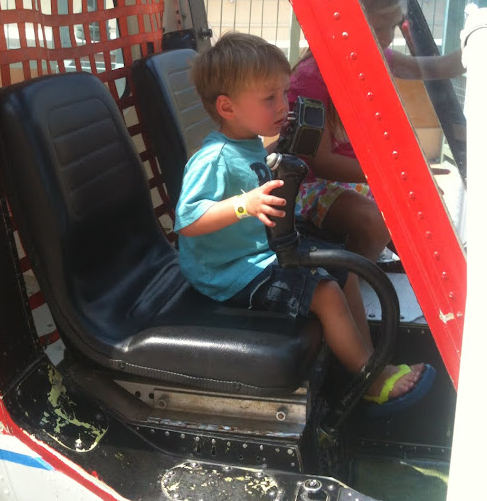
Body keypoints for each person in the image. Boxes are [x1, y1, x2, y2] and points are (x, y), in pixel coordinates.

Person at [175, 31, 435, 416]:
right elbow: (186, 220)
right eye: (270, 98)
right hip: (228, 274)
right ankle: (369, 380)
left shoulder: (248, 142)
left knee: (343, 268)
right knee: (326, 293)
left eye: (283, 93)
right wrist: (245, 204)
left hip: (257, 253)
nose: (284, 105)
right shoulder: (213, 159)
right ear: (227, 108)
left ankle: (368, 363)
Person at [289, 0, 465, 261]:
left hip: (356, 181)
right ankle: (348, 280)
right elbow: (319, 164)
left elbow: (434, 67)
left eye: (394, 26)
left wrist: (472, 49)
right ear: (345, 18)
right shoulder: (311, 77)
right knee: (375, 223)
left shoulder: (376, 58)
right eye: (380, 26)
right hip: (310, 186)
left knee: (426, 206)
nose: (388, 38)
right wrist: (390, 175)